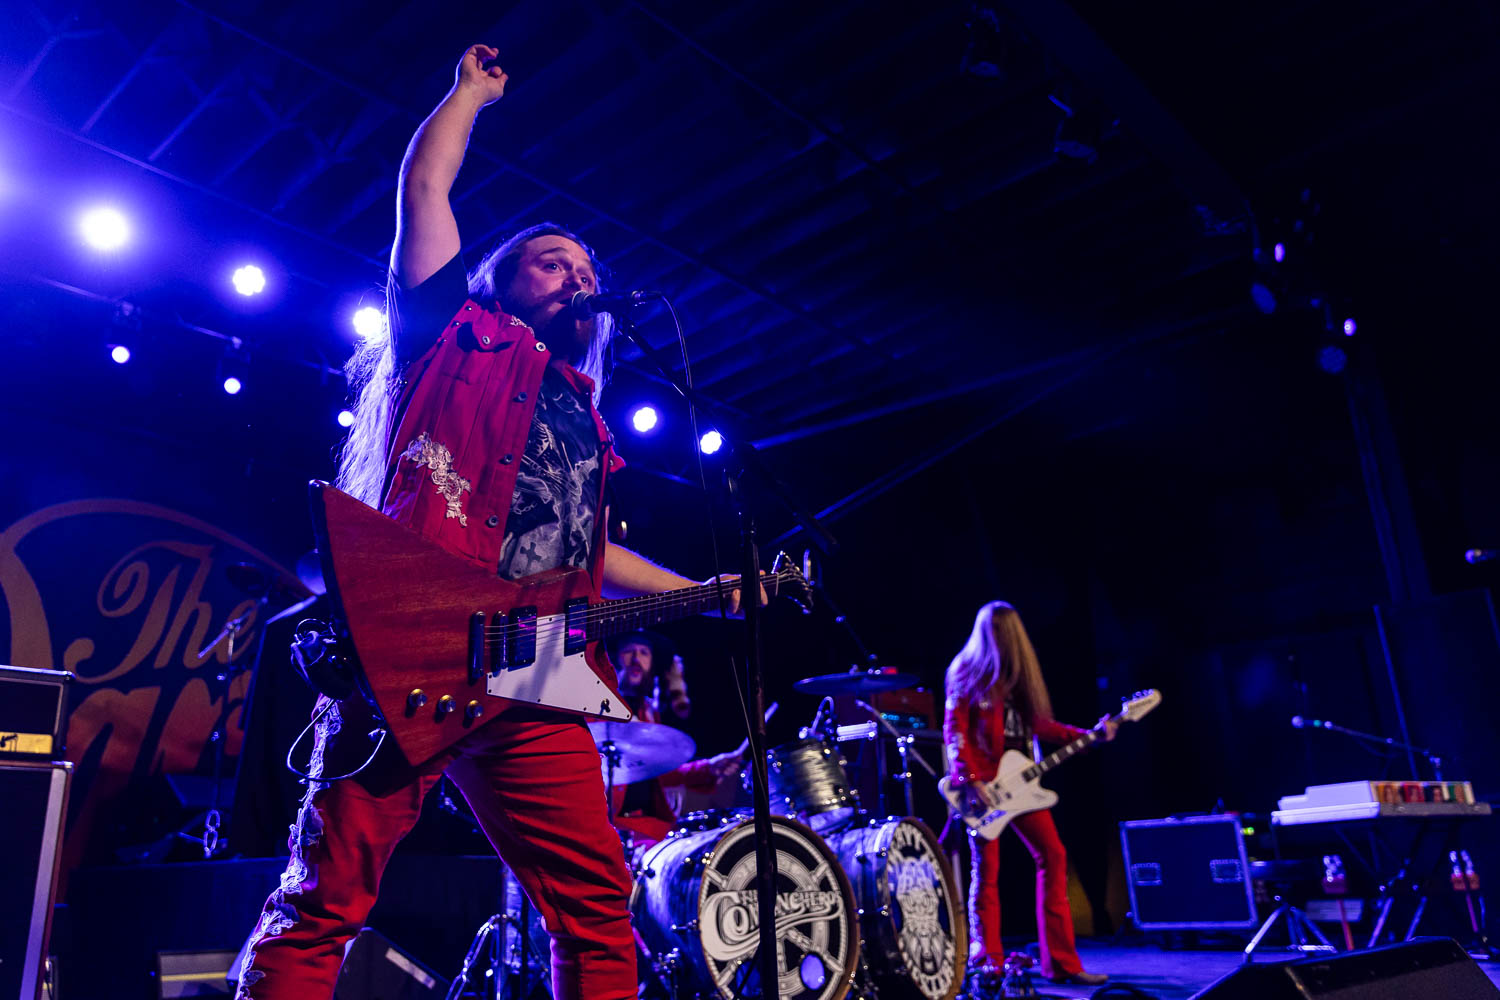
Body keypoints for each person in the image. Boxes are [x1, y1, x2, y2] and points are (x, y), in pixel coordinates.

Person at [235, 45, 760, 1000]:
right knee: (325, 901)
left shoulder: (588, 419)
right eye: (548, 259)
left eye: (584, 264)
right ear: (497, 280)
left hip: (535, 662)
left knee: (597, 906)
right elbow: (425, 188)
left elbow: (584, 553)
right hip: (414, 641)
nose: (572, 272)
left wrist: (707, 594)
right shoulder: (449, 335)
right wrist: (468, 96)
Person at [942, 601, 1116, 987]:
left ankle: (1063, 964)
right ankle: (990, 963)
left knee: (1053, 856)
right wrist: (971, 779)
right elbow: (955, 730)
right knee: (987, 873)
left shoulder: (1017, 677)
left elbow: (1040, 725)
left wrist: (1087, 737)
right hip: (983, 789)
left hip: (1020, 784)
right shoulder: (965, 672)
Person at [606, 631, 742, 847]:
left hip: (652, 826)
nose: (636, 659)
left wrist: (709, 768)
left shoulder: (647, 711)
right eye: (628, 651)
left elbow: (656, 773)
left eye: (644, 653)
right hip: (614, 826)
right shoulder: (599, 709)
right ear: (614, 658)